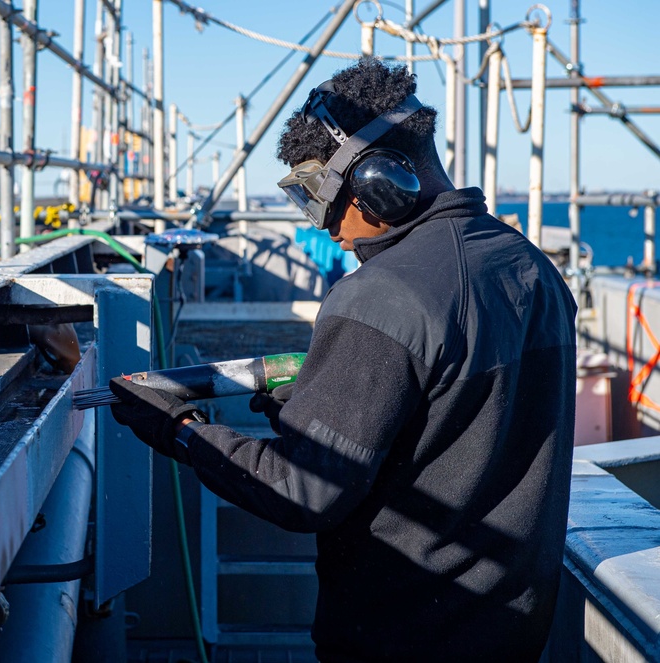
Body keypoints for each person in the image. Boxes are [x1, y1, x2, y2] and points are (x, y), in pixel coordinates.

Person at [109, 58, 576, 662]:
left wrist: (176, 429)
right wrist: (316, 408)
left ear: (379, 183)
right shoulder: (530, 267)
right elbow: (456, 430)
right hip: (510, 635)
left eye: (321, 201)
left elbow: (302, 493)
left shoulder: (381, 295)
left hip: (400, 641)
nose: (328, 229)